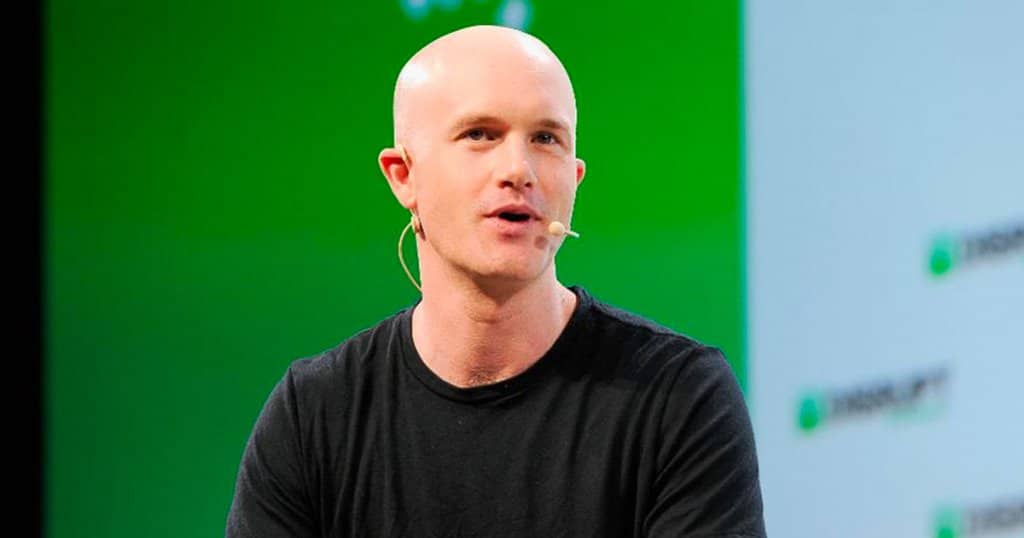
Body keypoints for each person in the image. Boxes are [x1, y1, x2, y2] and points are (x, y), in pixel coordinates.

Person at [227, 25, 765, 537]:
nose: (519, 170)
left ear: (575, 179)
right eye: (480, 134)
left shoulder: (677, 397)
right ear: (403, 176)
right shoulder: (315, 415)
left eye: (546, 138)